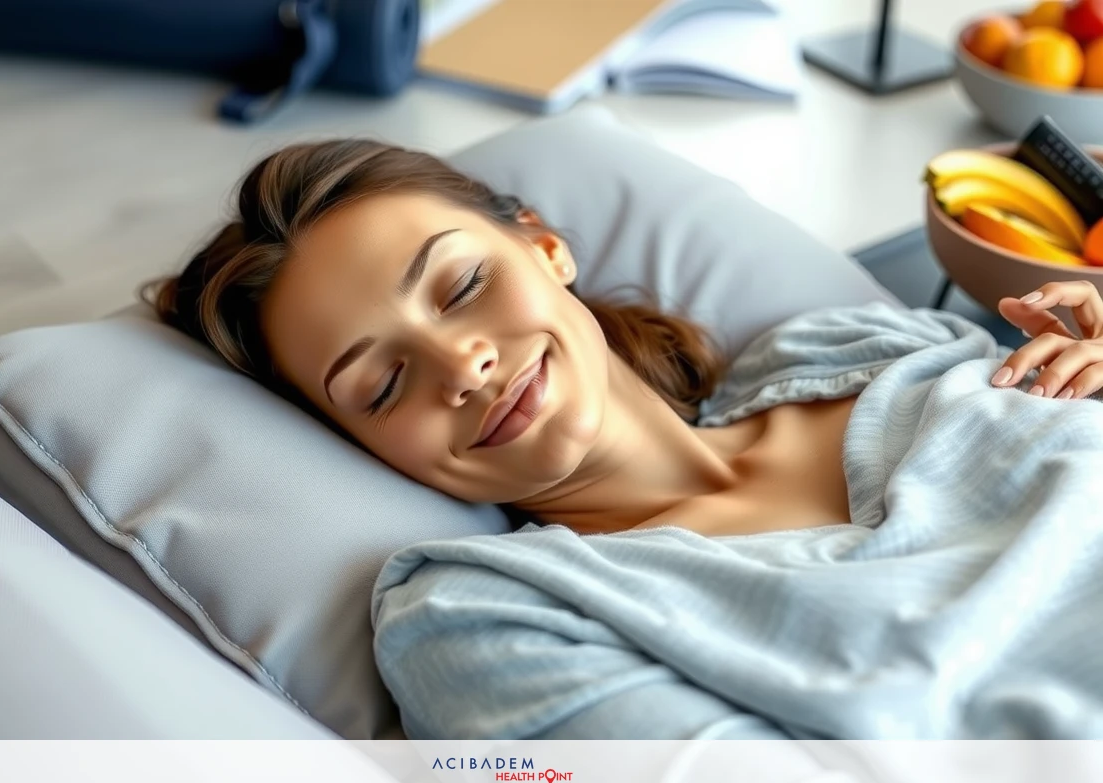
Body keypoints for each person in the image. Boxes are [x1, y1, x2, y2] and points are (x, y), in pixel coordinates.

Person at [143, 137, 1103, 540]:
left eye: (464, 285)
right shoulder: (504, 624)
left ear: (544, 246)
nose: (462, 364)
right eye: (382, 386)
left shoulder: (863, 346)